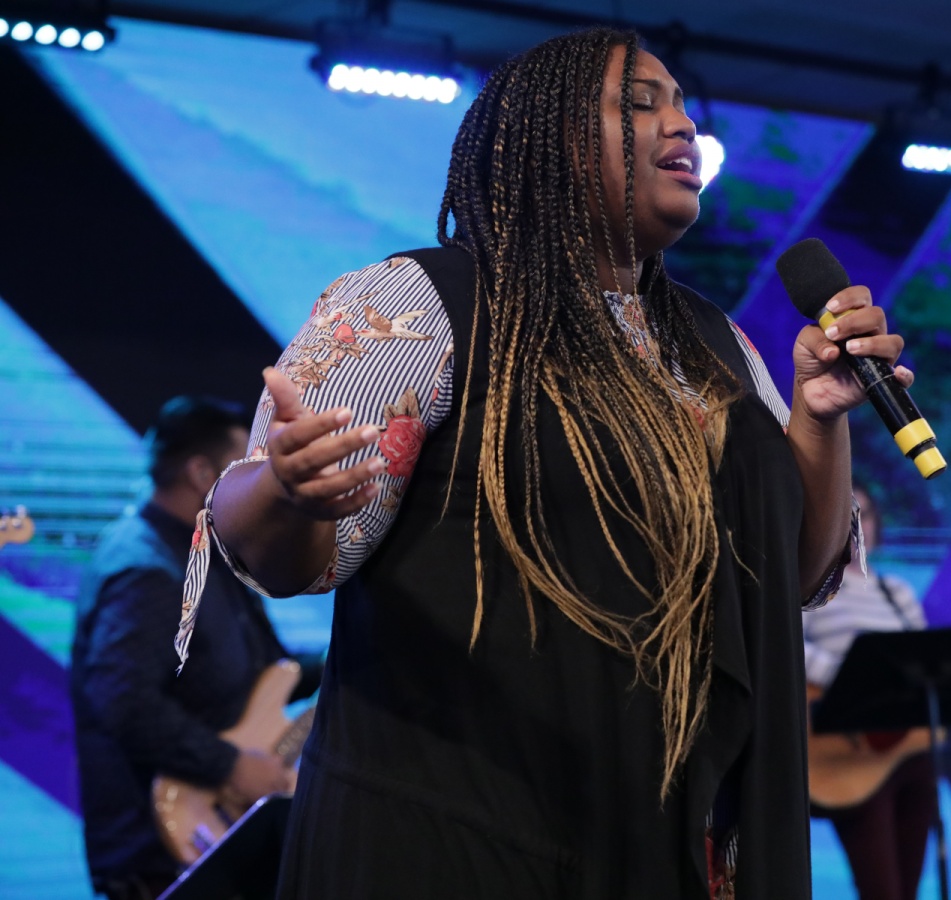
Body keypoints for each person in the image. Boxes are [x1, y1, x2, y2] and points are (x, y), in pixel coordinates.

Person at [175, 27, 911, 900]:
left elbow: (792, 578)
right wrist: (288, 490)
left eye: (683, 105)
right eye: (639, 103)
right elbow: (286, 558)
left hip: (657, 842)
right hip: (456, 836)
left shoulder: (715, 343)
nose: (682, 124)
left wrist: (819, 420)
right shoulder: (425, 301)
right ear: (547, 139)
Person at [71, 396, 314, 900]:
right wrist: (231, 766)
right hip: (166, 856)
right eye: (245, 468)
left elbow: (268, 670)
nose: (260, 484)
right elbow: (123, 700)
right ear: (202, 473)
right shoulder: (145, 569)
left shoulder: (209, 555)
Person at [803, 482, 951, 900]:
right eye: (845, 514)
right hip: (850, 750)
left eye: (864, 515)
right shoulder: (808, 587)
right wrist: (851, 675)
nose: (856, 526)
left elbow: (926, 664)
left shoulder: (895, 592)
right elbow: (786, 648)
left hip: (910, 752)